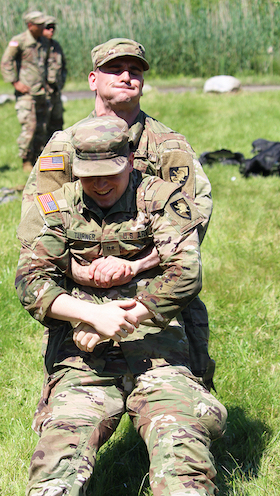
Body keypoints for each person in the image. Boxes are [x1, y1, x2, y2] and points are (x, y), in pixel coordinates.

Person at [16, 116, 227, 496]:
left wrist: (126, 316)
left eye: (110, 173)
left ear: (130, 160)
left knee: (183, 453)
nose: (99, 185)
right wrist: (92, 315)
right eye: (88, 175)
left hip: (159, 354)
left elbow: (186, 272)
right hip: (83, 359)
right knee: (57, 462)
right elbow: (30, 280)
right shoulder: (55, 207)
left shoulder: (162, 197)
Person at [21, 38, 216, 390]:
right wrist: (78, 269)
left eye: (135, 71)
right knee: (76, 387)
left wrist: (135, 265)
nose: (126, 76)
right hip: (83, 289)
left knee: (189, 386)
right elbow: (40, 222)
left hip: (156, 282)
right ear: (93, 79)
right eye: (114, 69)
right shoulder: (64, 147)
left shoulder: (168, 146)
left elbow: (193, 220)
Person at [0, 11, 49, 172]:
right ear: (30, 25)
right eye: (39, 24)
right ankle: (26, 159)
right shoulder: (19, 41)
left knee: (42, 127)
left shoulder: (44, 41)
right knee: (30, 126)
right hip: (26, 92)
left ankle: (39, 157)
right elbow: (6, 61)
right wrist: (15, 82)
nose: (43, 27)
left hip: (41, 91)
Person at [43, 16, 67, 140]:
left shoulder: (56, 46)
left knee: (57, 124)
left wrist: (61, 83)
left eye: (53, 28)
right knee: (42, 126)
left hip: (55, 92)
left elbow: (63, 66)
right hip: (42, 93)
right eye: (48, 27)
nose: (51, 30)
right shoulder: (37, 47)